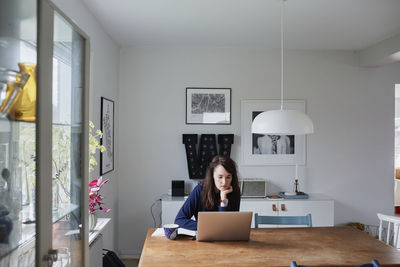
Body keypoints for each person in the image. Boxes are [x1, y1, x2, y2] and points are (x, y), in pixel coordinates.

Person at [174, 155, 241, 230]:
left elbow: (226, 225)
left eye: (228, 177)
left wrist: (223, 199)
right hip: (204, 236)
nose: (224, 182)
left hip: (225, 238)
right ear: (212, 175)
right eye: (220, 177)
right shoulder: (200, 190)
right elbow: (179, 221)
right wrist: (208, 226)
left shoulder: (235, 191)